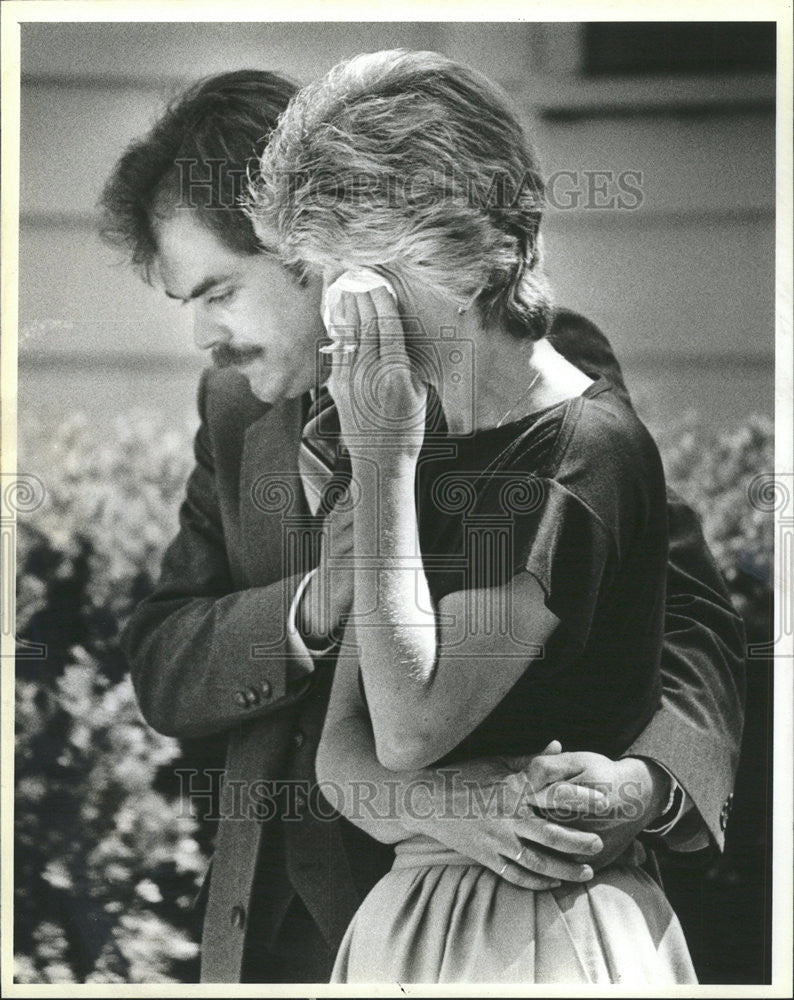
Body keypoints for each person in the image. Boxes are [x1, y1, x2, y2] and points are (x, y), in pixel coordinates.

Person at [100, 69, 746, 983]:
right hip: (285, 935)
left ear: (311, 257)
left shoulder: (513, 368)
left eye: (219, 293)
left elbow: (684, 617)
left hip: (518, 910)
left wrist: (646, 791)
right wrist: (324, 598)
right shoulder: (235, 409)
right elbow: (167, 655)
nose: (205, 337)